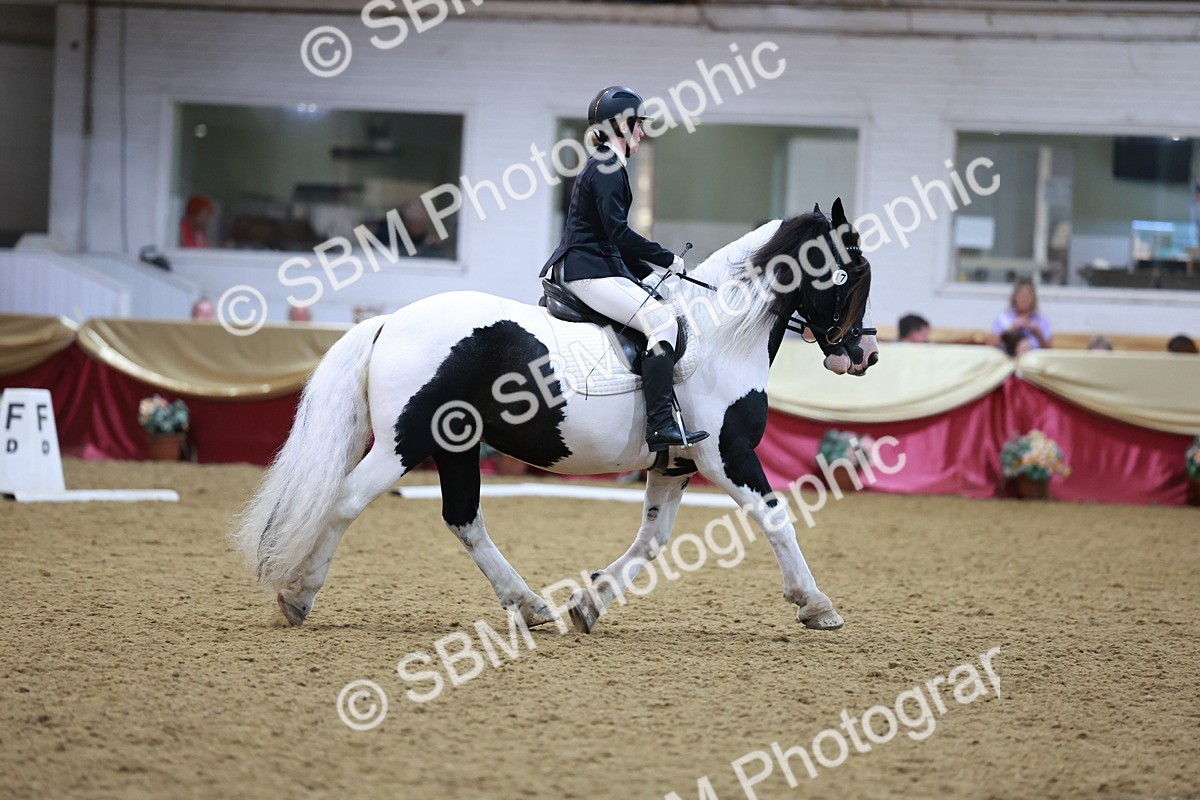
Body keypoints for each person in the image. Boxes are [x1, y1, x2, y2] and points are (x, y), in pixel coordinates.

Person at [542, 86, 706, 452]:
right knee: (662, 322)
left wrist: (643, 275)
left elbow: (608, 236)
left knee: (655, 307)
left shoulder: (606, 163)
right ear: (622, 125)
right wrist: (666, 259)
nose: (643, 132)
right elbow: (618, 232)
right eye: (638, 125)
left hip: (597, 265)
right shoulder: (609, 167)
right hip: (587, 271)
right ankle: (661, 423)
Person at [989, 277, 1052, 351]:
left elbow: (1049, 349)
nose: (1024, 297)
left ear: (1034, 299)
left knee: (1025, 345)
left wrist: (1037, 333)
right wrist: (1011, 329)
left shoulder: (1041, 321)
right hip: (1007, 359)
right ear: (1014, 297)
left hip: (1033, 360)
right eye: (1021, 294)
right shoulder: (1003, 318)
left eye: (1028, 294)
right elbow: (991, 344)